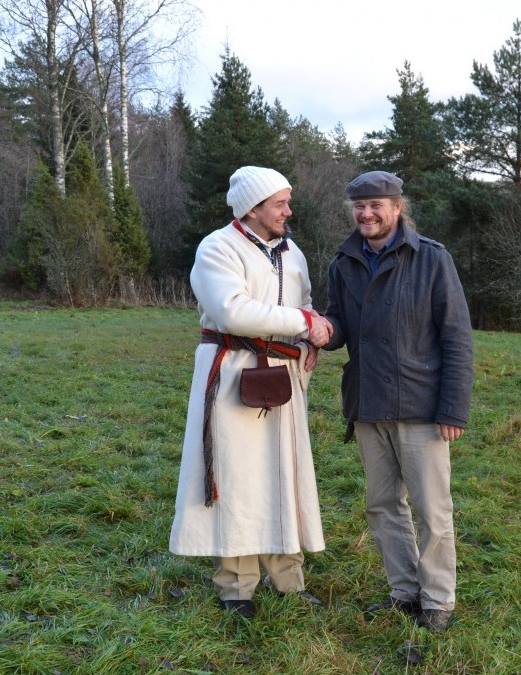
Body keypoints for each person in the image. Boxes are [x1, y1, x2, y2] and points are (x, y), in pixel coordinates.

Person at [169, 166, 334, 620]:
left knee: (284, 472)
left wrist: (305, 340)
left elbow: (302, 303)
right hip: (233, 374)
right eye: (280, 203)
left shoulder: (292, 251)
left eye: (287, 201)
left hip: (284, 375)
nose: (288, 210)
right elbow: (232, 312)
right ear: (253, 208)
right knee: (238, 480)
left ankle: (288, 580)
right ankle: (236, 587)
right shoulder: (218, 247)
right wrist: (302, 325)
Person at [322, 170, 474, 633]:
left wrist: (453, 408)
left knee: (433, 510)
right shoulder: (342, 262)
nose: (367, 214)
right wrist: (316, 331)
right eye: (359, 207)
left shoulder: (431, 259)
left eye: (376, 206)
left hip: (422, 407)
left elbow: (457, 338)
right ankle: (405, 592)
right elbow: (338, 325)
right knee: (383, 505)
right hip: (368, 404)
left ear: (396, 207)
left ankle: (438, 601)